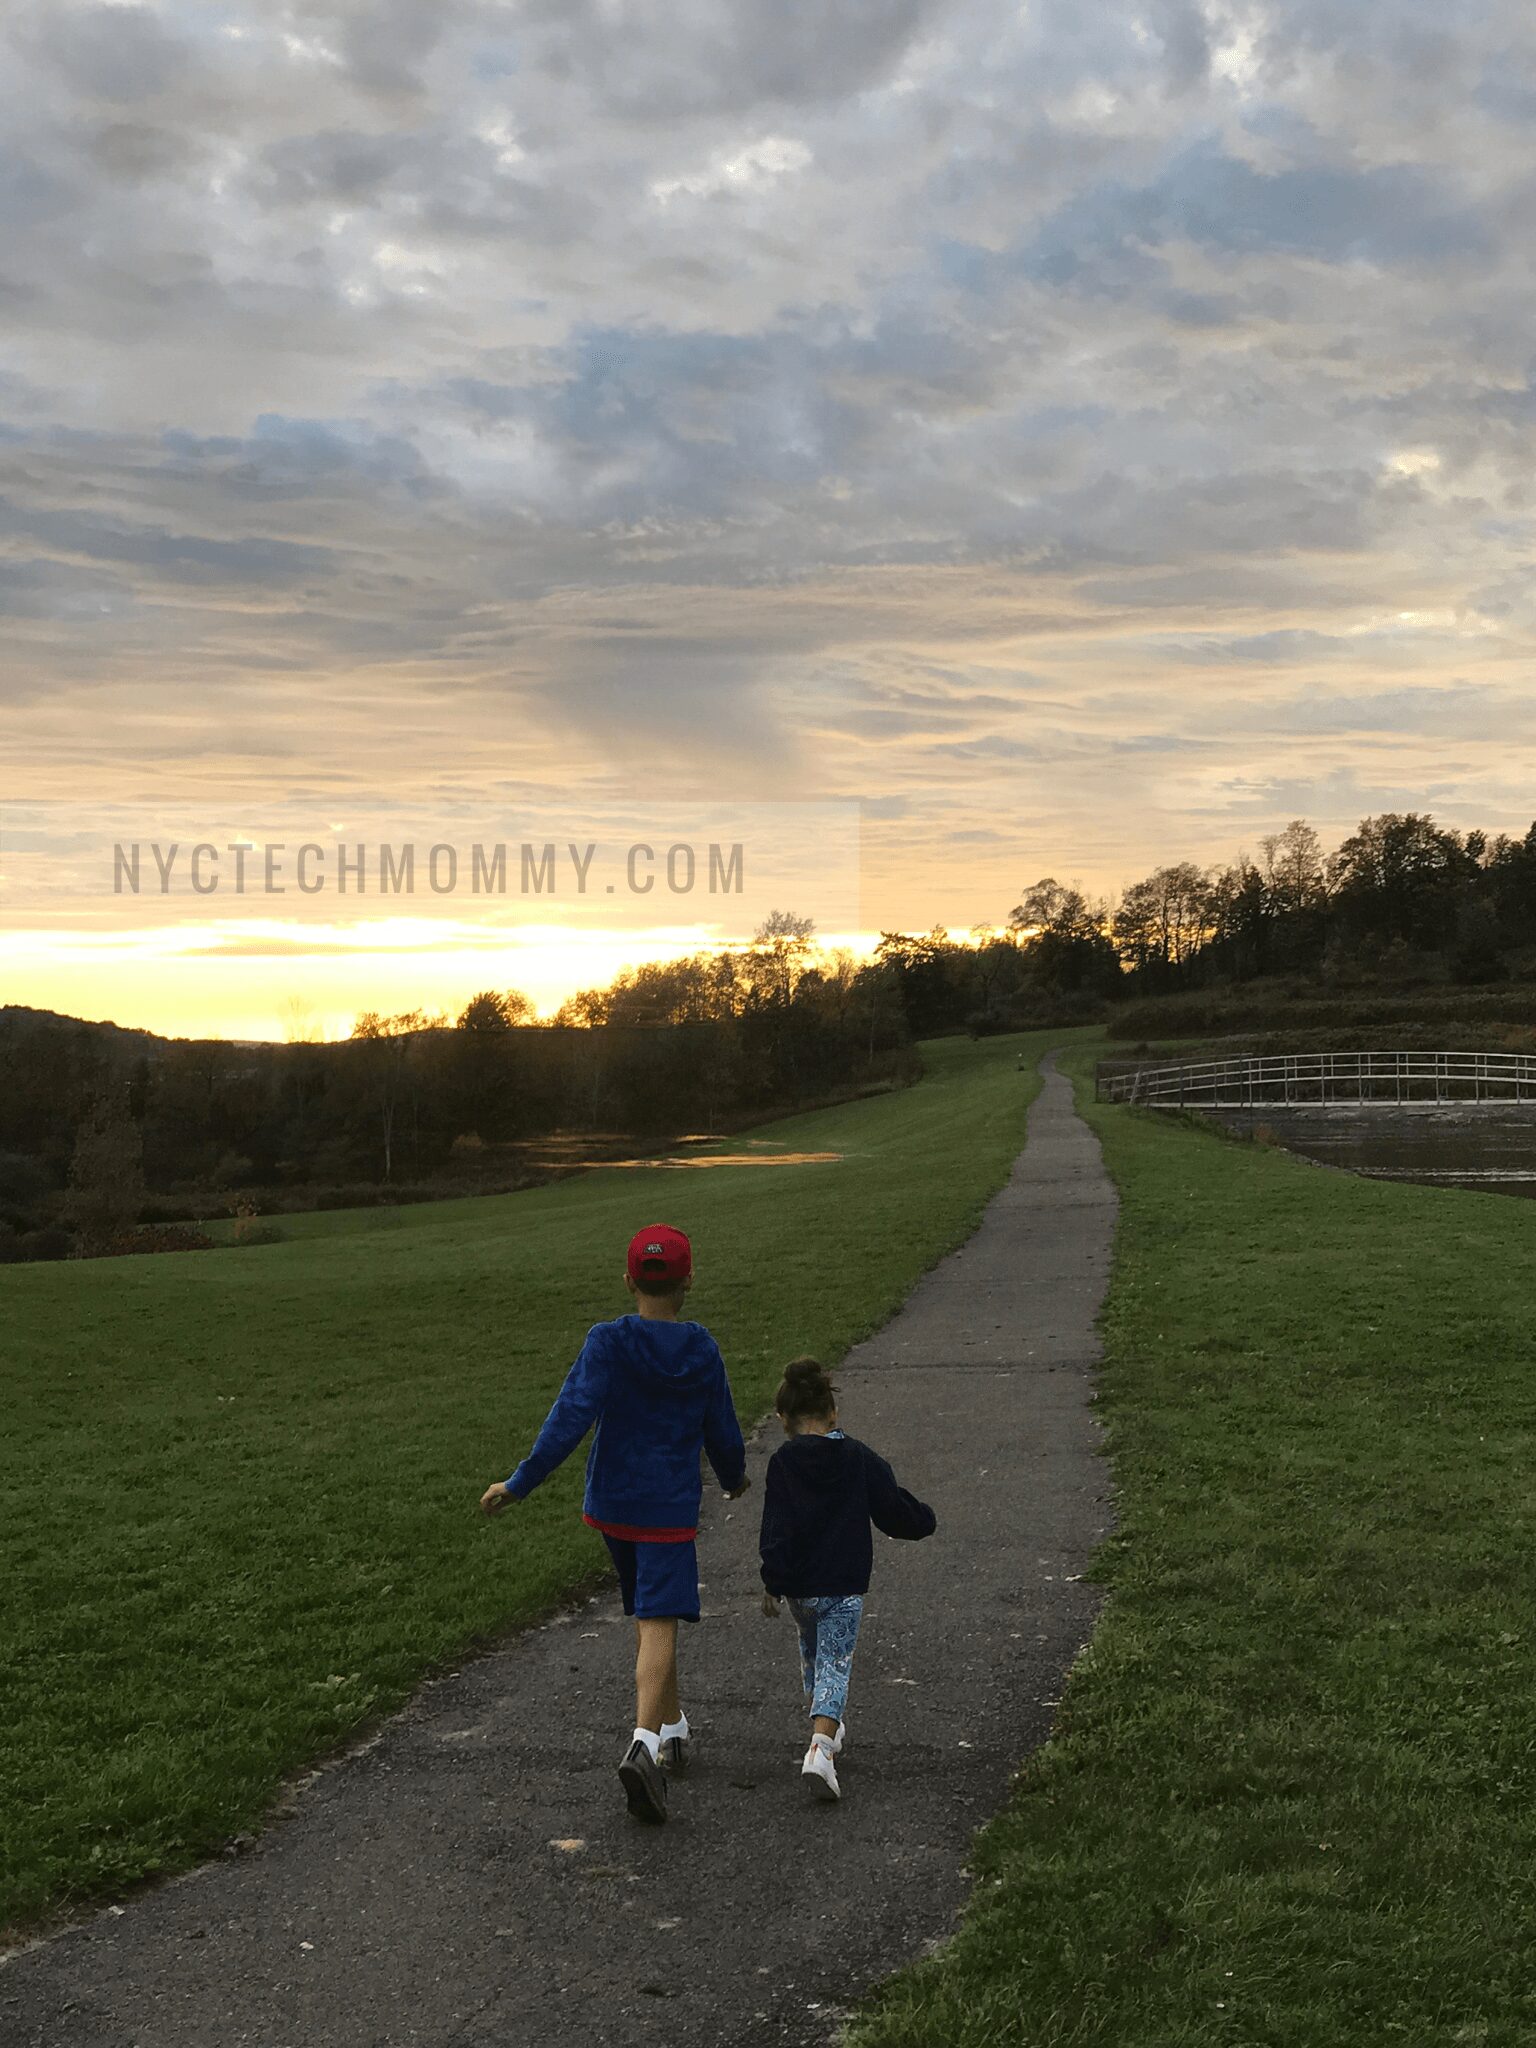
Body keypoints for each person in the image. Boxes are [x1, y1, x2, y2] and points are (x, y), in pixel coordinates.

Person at [480, 1224, 749, 1824]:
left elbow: (569, 1417)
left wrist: (520, 1482)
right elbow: (722, 1428)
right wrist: (734, 1476)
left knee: (653, 1613)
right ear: (689, 1283)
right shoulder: (701, 1349)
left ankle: (673, 1725)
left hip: (613, 1509)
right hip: (666, 1512)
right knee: (658, 1619)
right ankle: (643, 1747)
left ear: (628, 1280)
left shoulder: (607, 1342)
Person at [758, 1357, 936, 1801]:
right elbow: (892, 1509)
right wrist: (924, 1519)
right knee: (836, 1665)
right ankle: (821, 1748)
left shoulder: (782, 1464)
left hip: (800, 1588)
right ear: (832, 1412)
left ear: (784, 1418)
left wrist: (772, 1582)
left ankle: (828, 1727)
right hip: (843, 1585)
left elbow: (775, 1528)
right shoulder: (856, 1457)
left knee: (816, 1659)